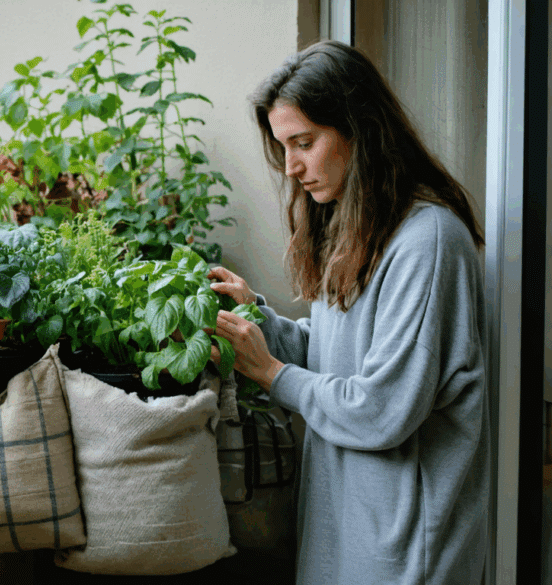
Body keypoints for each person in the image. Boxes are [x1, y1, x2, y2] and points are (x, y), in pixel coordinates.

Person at [207, 40, 489, 585]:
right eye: (284, 147)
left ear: (360, 130)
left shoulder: (427, 242)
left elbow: (381, 408)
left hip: (403, 554)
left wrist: (272, 373)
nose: (292, 167)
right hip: (343, 533)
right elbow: (333, 355)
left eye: (304, 143)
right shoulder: (353, 227)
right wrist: (256, 322)